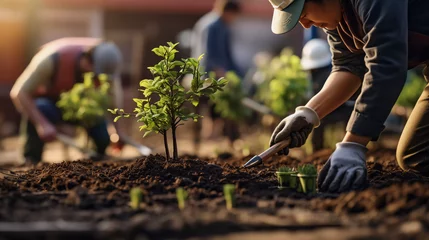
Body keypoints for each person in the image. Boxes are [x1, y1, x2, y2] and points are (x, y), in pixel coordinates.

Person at [267, 0, 429, 193]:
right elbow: (348, 66)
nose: (305, 24)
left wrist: (353, 143)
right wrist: (308, 113)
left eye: (303, 13)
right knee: (415, 156)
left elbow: (387, 65)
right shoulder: (337, 16)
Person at [10, 37, 126, 165]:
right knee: (40, 107)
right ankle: (31, 160)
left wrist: (117, 133)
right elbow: (19, 93)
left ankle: (97, 161)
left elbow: (113, 102)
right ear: (87, 62)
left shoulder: (106, 68)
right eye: (97, 75)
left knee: (103, 137)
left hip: (86, 108)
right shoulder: (51, 59)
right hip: (53, 105)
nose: (99, 79)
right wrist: (42, 124)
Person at [300, 38, 354, 152]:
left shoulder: (328, 74)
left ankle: (346, 147)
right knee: (319, 121)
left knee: (321, 120)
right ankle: (319, 150)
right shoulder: (317, 75)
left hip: (343, 108)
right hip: (334, 109)